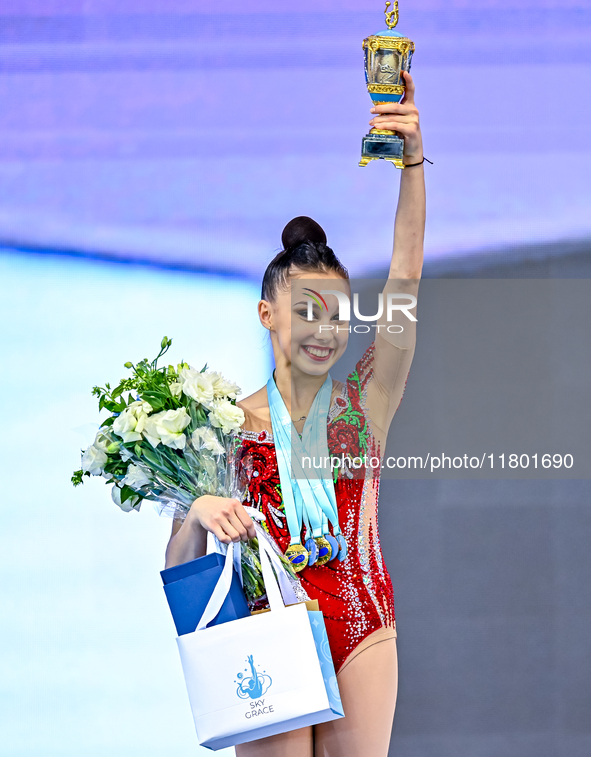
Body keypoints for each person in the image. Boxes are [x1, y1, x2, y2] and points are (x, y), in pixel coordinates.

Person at [165, 70, 425, 757]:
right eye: (307, 310)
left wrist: (413, 162)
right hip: (265, 629)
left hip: (362, 620)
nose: (324, 329)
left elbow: (405, 276)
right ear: (266, 314)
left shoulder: (368, 404)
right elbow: (179, 566)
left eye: (337, 314)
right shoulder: (219, 429)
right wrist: (195, 507)